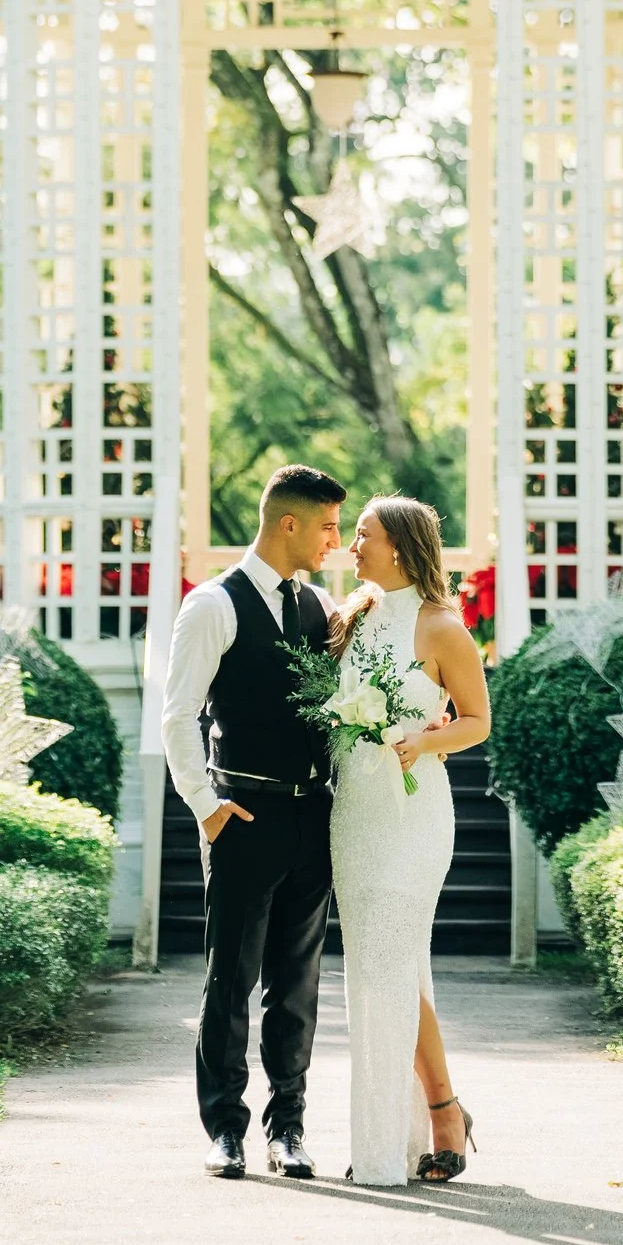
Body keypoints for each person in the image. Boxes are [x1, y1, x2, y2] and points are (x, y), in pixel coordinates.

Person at [160, 463, 346, 1180]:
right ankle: (225, 1129)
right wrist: (207, 809)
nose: (335, 538)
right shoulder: (213, 604)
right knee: (229, 980)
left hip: (312, 815)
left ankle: (288, 1129)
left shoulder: (318, 605)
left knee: (297, 985)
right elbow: (178, 716)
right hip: (242, 813)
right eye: (328, 525)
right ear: (288, 523)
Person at [329, 494, 492, 1187]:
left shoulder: (441, 627)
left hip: (414, 814)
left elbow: (478, 721)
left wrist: (425, 739)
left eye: (362, 535)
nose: (352, 545)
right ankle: (439, 1113)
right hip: (355, 811)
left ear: (399, 544)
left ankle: (400, 1135)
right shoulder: (350, 616)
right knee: (380, 965)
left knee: (388, 962)